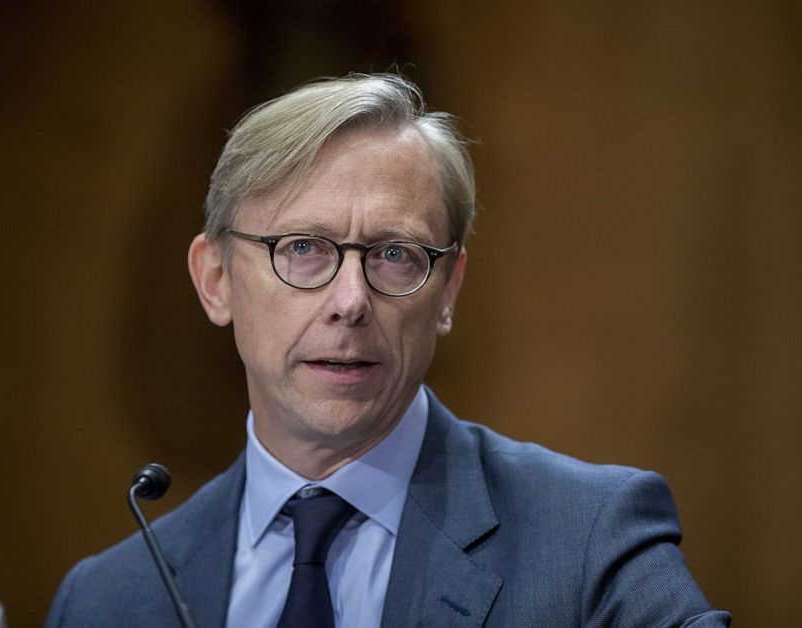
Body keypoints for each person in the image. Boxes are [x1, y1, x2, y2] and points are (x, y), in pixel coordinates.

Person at [46, 74, 730, 627]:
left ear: (449, 289)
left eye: (395, 255)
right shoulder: (110, 599)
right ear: (216, 280)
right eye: (303, 249)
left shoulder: (589, 540)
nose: (351, 300)